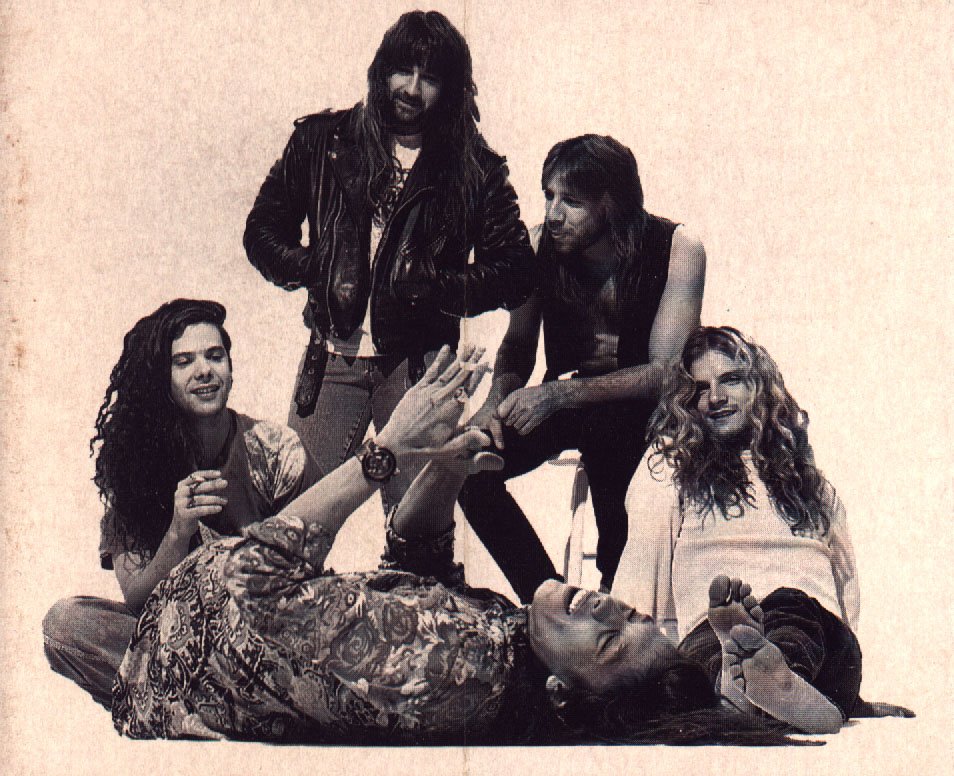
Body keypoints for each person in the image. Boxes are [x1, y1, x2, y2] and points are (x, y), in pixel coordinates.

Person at [111, 346, 735, 745]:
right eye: (632, 614)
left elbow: (256, 574)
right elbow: (415, 569)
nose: (605, 606)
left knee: (67, 623)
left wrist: (384, 451)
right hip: (196, 625)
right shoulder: (509, 648)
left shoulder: (456, 668)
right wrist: (445, 469)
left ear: (562, 694)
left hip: (175, 654)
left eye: (607, 641)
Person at [243, 10, 534, 513]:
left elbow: (515, 270)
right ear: (382, 69)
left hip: (420, 369)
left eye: (430, 78)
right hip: (332, 359)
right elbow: (262, 232)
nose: (412, 89)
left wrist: (436, 284)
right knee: (297, 520)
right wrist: (316, 269)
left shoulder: (475, 166)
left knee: (416, 531)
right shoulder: (322, 141)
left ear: (451, 88)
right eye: (404, 70)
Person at [459, 135, 706, 601]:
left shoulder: (678, 247)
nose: (553, 213)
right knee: (468, 466)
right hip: (570, 399)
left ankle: (618, 590)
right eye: (548, 196)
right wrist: (493, 404)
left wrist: (559, 395)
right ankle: (549, 600)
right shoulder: (537, 244)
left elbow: (665, 374)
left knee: (609, 430)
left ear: (611, 204)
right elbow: (518, 346)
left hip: (645, 408)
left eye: (570, 201)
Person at [42, 299, 320, 708]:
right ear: (163, 379)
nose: (204, 370)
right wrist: (178, 531)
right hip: (182, 639)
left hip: (265, 636)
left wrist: (246, 548)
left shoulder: (276, 448)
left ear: (230, 366)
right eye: (183, 361)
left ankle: (184, 702)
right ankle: (214, 703)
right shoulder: (134, 463)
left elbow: (310, 571)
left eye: (215, 356)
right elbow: (138, 599)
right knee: (66, 625)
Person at [612, 326, 864, 732]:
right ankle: (749, 688)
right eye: (700, 389)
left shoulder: (806, 478)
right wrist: (628, 672)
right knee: (709, 646)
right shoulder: (671, 465)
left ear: (758, 387)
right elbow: (641, 568)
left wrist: (855, 692)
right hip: (714, 631)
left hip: (818, 636)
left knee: (790, 607)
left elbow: (845, 585)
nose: (715, 397)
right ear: (686, 402)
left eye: (730, 380)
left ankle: (769, 684)